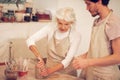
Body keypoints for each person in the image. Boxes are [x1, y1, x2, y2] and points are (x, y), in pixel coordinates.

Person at [26, 7, 81, 78]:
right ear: (57, 20)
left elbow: (67, 61)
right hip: (49, 69)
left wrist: (48, 71)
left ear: (72, 22)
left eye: (66, 24)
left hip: (67, 73)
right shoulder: (50, 28)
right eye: (60, 23)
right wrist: (40, 58)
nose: (63, 27)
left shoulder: (76, 35)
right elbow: (30, 40)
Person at [72, 0, 120, 80]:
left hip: (106, 75)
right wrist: (83, 56)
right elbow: (98, 49)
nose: (86, 8)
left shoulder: (113, 22)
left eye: (88, 4)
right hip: (92, 72)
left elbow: (118, 57)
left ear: (99, 2)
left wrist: (87, 62)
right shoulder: (96, 21)